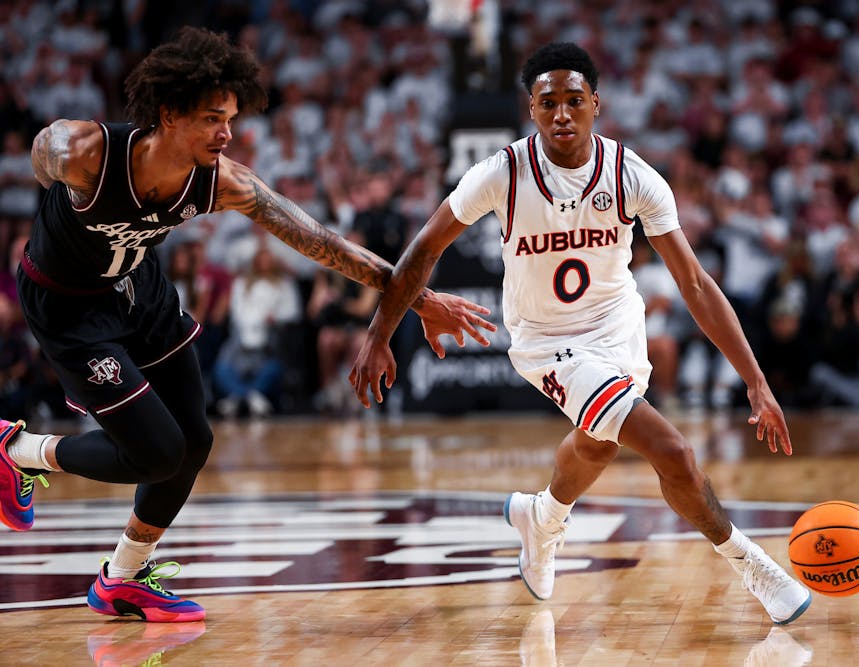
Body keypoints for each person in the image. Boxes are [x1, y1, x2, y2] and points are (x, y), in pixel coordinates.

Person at [0, 27, 494, 623]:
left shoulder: (222, 180)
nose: (228, 133)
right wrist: (54, 226)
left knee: (195, 442)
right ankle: (20, 450)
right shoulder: (87, 154)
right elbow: (39, 153)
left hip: (141, 290)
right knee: (157, 453)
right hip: (70, 308)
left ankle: (123, 580)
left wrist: (419, 300)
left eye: (231, 119)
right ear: (169, 114)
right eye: (213, 119)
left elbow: (322, 242)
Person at [351, 42, 811, 624]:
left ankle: (541, 518)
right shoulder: (502, 174)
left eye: (574, 100)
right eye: (548, 103)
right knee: (672, 450)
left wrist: (756, 381)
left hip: (618, 326)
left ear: (596, 103)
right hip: (547, 343)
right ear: (532, 110)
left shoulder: (633, 175)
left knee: (598, 443)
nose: (562, 113)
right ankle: (758, 571)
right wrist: (379, 332)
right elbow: (422, 250)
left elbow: (694, 284)